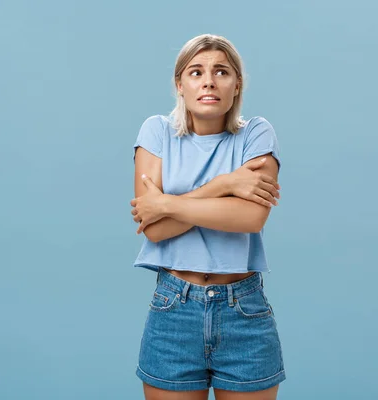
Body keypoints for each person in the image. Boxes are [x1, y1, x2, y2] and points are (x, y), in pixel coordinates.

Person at [130, 33, 285, 400]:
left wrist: (168, 202)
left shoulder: (257, 134)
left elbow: (250, 218)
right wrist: (224, 185)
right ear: (179, 85)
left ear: (237, 85)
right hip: (174, 308)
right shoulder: (157, 132)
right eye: (196, 72)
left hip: (243, 310)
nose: (209, 81)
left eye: (221, 71)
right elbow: (154, 230)